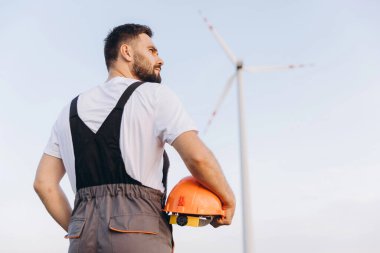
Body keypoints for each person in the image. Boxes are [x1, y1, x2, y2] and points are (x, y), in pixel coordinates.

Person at [33, 23, 236, 253]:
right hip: (139, 232)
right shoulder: (153, 95)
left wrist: (77, 226)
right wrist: (227, 198)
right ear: (126, 52)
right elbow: (197, 158)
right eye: (152, 50)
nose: (160, 59)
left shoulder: (68, 111)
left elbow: (43, 183)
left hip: (82, 238)